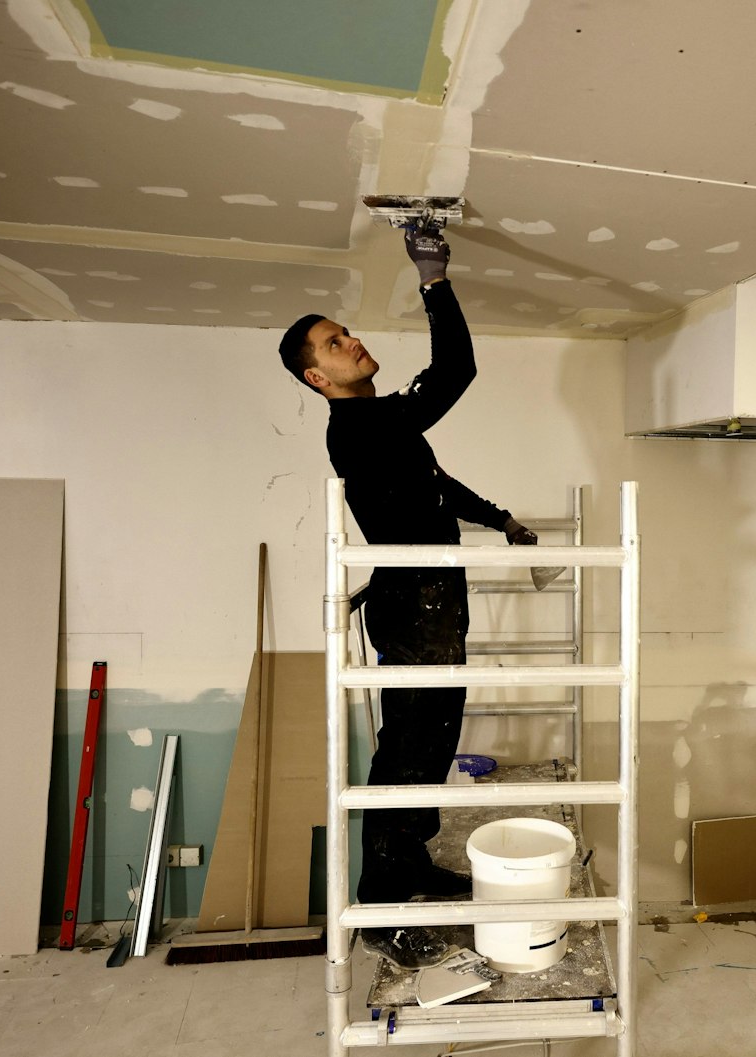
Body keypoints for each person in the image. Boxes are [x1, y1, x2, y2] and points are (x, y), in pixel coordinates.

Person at [278, 222, 537, 970]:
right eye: (334, 344)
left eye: (345, 332)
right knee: (407, 754)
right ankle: (382, 906)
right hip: (413, 606)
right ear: (316, 379)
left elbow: (434, 484)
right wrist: (433, 277)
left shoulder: (383, 426)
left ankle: (412, 866)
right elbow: (455, 370)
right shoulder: (358, 428)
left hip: (433, 601)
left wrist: (499, 519)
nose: (350, 342)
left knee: (432, 748)